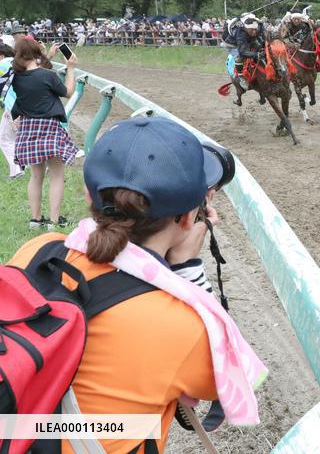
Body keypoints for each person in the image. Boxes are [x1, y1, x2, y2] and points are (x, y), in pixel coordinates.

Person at [7, 116, 264, 454]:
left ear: (89, 194)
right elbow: (233, 381)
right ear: (189, 218)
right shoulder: (181, 325)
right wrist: (185, 268)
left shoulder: (40, 250)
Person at [10, 38, 78, 229]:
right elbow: (68, 92)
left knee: (36, 175)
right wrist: (70, 68)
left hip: (28, 127)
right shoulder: (47, 76)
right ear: (36, 53)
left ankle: (36, 219)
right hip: (49, 126)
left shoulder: (17, 77)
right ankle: (54, 221)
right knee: (56, 174)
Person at [0, 42, 22, 179]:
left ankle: (17, 170)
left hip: (13, 106)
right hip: (20, 104)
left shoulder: (3, 65)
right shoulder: (19, 63)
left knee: (6, 138)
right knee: (6, 137)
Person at [234, 14, 264, 89]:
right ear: (246, 28)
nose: (254, 32)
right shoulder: (240, 34)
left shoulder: (257, 27)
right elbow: (242, 52)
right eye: (251, 30)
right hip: (232, 42)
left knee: (260, 48)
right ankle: (241, 78)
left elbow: (257, 38)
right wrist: (255, 55)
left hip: (250, 39)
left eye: (255, 29)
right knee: (239, 58)